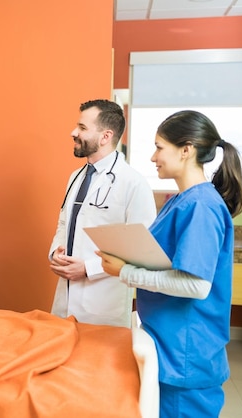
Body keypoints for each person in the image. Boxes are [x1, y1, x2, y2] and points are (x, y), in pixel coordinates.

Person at [98, 110, 242, 418]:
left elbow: (196, 285)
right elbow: (166, 261)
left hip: (186, 354)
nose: (153, 156)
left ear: (186, 149)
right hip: (170, 343)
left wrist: (125, 272)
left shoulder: (201, 207)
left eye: (159, 147)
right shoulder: (181, 201)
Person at [49, 99, 156, 327]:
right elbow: (64, 222)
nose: (73, 132)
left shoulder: (133, 183)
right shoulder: (76, 177)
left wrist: (88, 269)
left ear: (105, 136)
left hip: (103, 304)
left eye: (82, 128)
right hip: (65, 298)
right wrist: (55, 253)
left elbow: (140, 249)